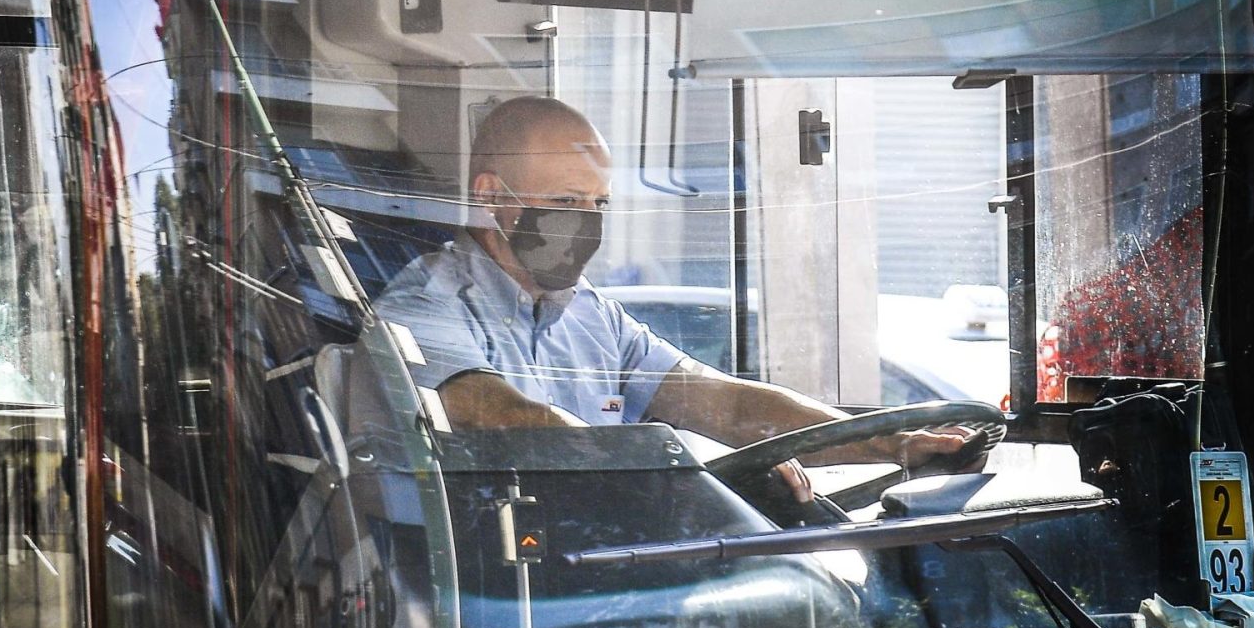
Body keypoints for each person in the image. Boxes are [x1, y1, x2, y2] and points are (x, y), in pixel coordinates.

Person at [373, 94, 984, 491]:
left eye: (598, 203)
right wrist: (685, 473)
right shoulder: (425, 304)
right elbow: (506, 419)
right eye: (565, 201)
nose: (587, 222)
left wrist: (894, 443)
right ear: (491, 195)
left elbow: (727, 405)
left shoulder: (592, 316)